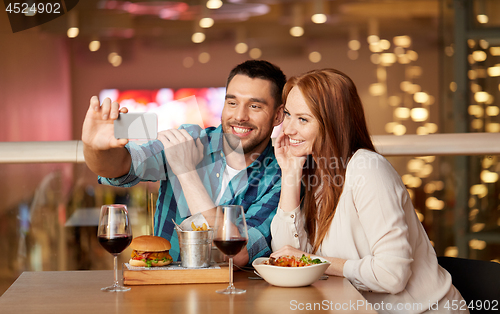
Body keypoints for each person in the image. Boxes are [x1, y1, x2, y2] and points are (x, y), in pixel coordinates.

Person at [270, 69, 467, 313]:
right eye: (288, 114)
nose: (287, 129)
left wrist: (312, 262)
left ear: (332, 124)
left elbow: (391, 275)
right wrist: (290, 172)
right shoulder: (317, 173)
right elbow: (286, 256)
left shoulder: (367, 169)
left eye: (303, 119)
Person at [82, 60, 286, 266]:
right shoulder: (190, 139)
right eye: (232, 103)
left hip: (234, 294)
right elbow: (118, 168)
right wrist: (94, 146)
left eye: (254, 106)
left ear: (278, 115)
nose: (240, 116)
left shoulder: (282, 176)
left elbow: (238, 254)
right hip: (166, 290)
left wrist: (186, 171)